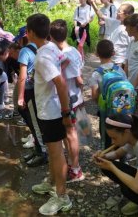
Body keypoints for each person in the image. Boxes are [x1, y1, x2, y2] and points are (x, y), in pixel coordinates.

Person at [28, 13, 73, 215]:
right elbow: (64, 64)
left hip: (52, 111)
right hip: (51, 108)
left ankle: (62, 197)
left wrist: (66, 112)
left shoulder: (42, 56)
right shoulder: (52, 46)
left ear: (29, 32)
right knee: (54, 151)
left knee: (56, 154)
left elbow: (61, 84)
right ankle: (51, 182)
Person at [93, 114, 138, 216]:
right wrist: (103, 156)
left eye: (114, 138)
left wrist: (112, 167)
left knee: (128, 189)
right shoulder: (133, 138)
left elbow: (137, 187)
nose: (112, 142)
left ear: (126, 132)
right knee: (110, 169)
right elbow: (117, 154)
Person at [49, 19, 85, 183]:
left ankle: (75, 169)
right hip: (75, 97)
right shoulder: (74, 51)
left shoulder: (62, 55)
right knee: (69, 133)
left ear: (51, 36)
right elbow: (79, 78)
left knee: (70, 134)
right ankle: (72, 164)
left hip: (68, 100)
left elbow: (67, 79)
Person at [16, 26, 48, 167]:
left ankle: (42, 153)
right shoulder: (43, 47)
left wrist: (20, 96)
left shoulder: (24, 51)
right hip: (40, 89)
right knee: (37, 122)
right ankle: (38, 149)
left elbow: (22, 76)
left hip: (30, 90)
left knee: (34, 123)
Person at [89, 40, 127, 148]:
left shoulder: (96, 74)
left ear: (97, 54)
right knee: (120, 134)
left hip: (105, 111)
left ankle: (107, 159)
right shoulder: (119, 69)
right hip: (121, 108)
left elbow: (94, 96)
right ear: (113, 53)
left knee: (106, 137)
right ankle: (122, 159)